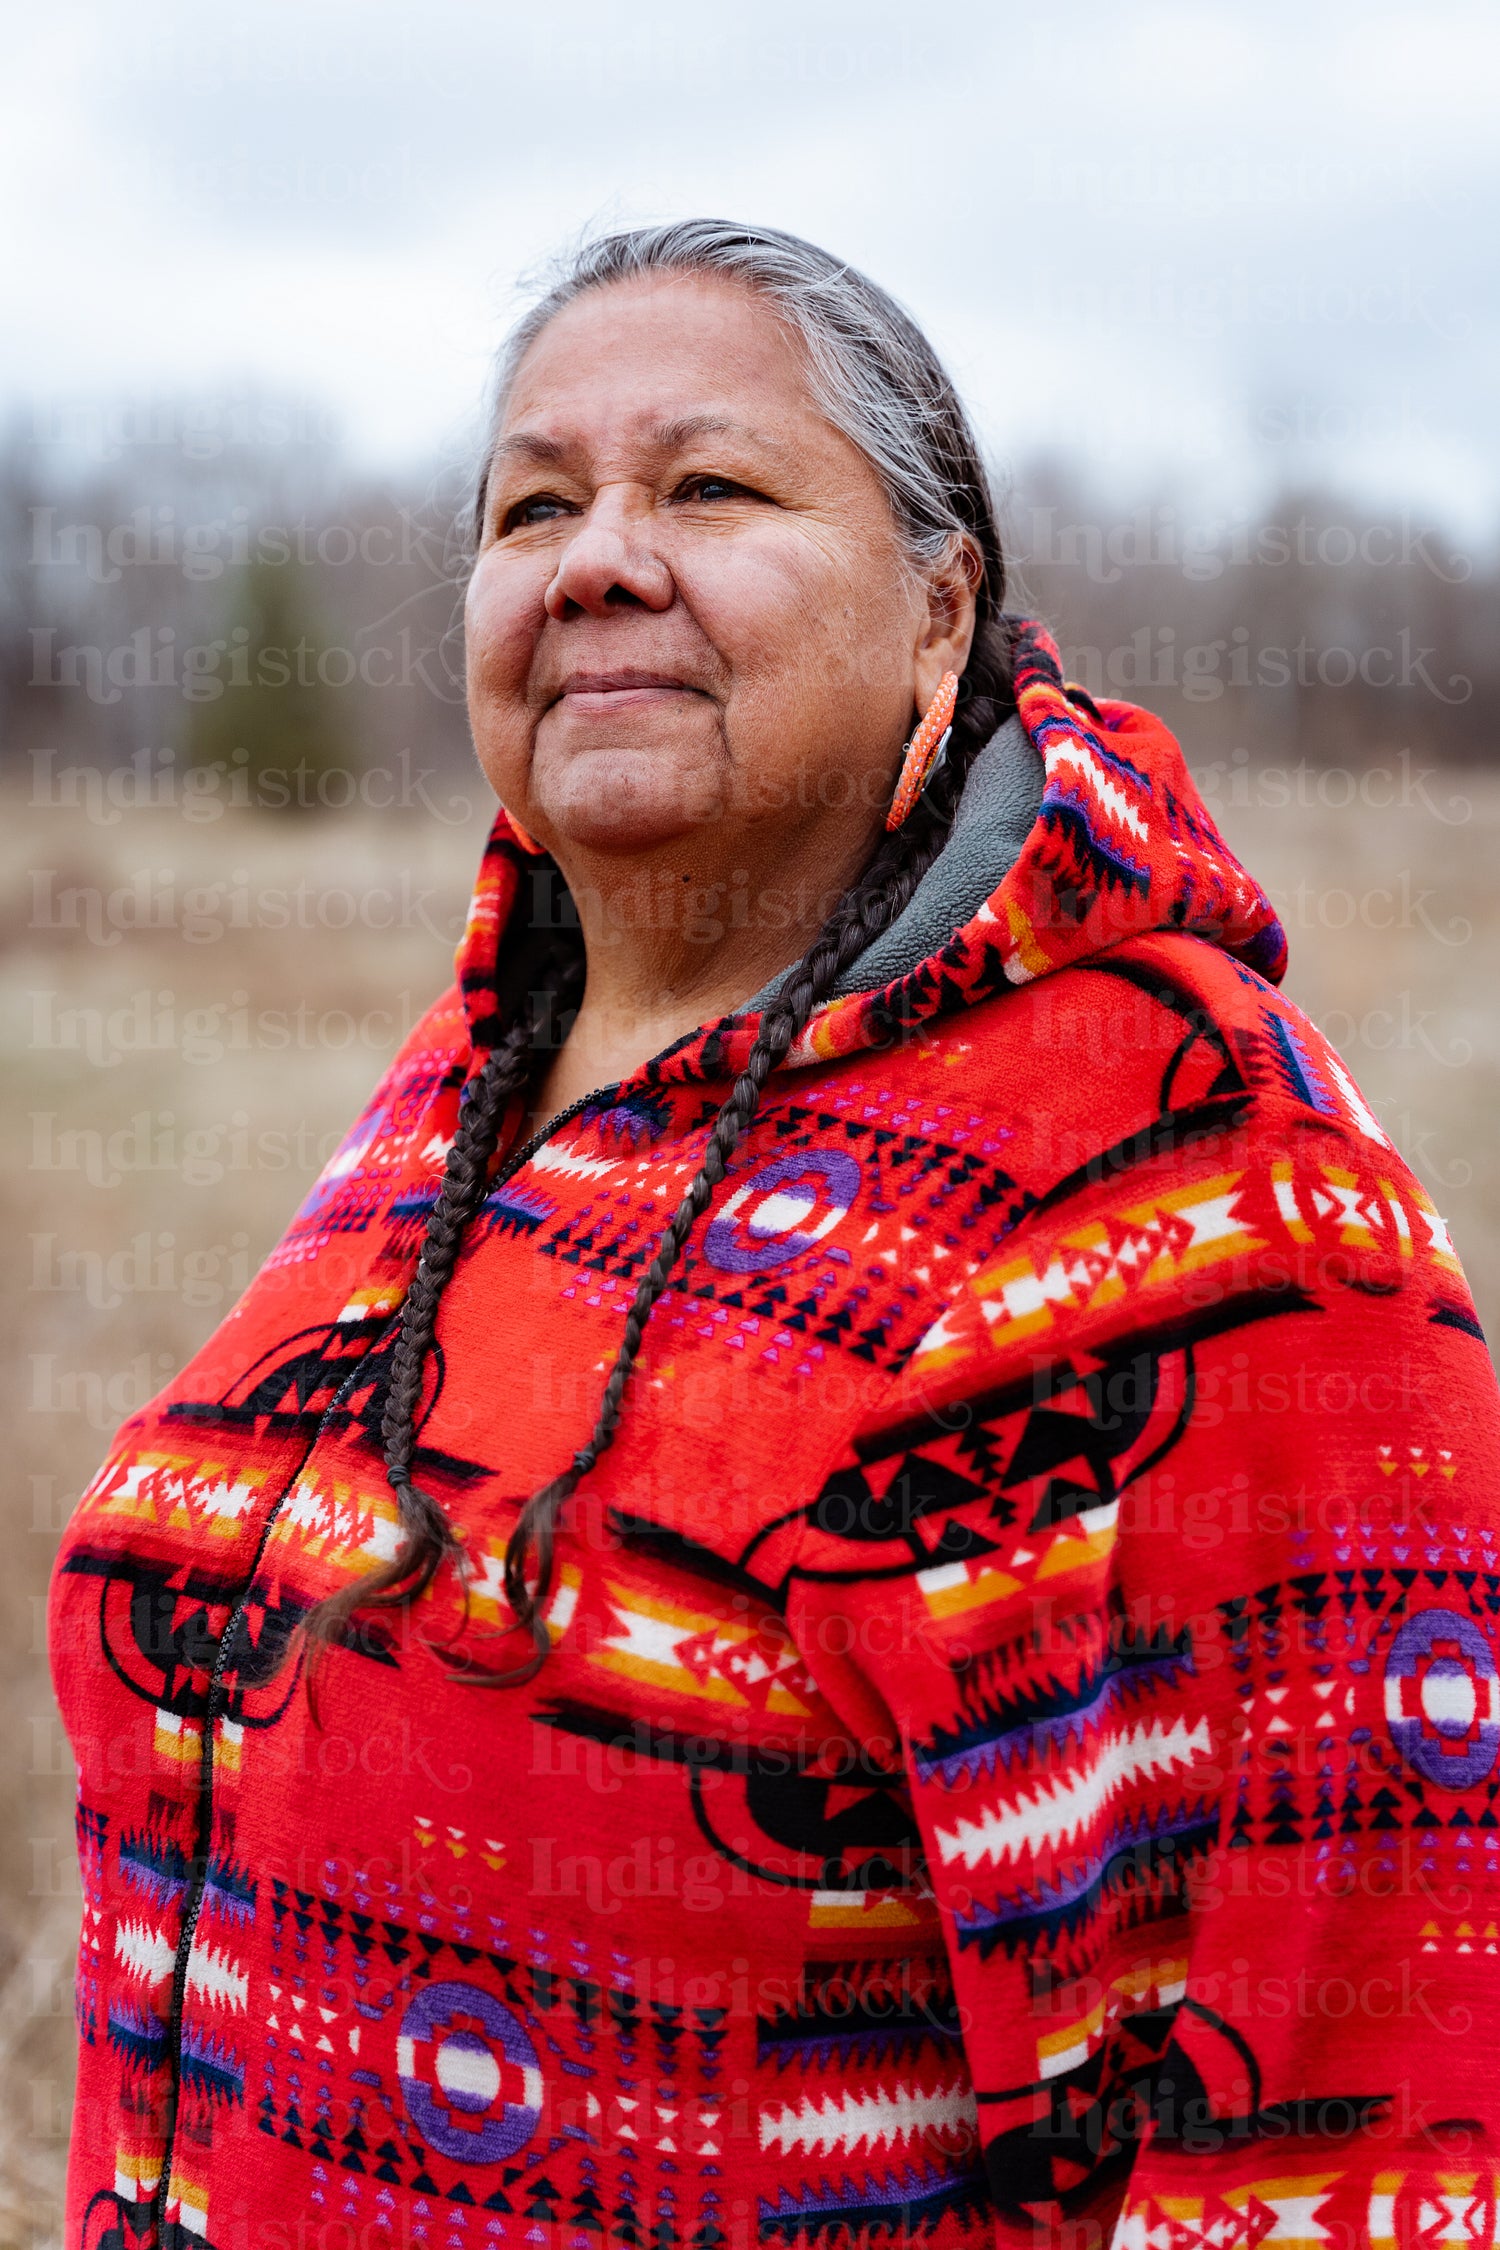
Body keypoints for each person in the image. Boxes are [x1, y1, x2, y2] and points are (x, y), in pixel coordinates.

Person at [50, 221, 1500, 2250]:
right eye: (532, 504)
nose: (599, 558)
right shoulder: (474, 1086)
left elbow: (1350, 2108)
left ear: (941, 607)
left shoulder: (1196, 1168)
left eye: (709, 486)